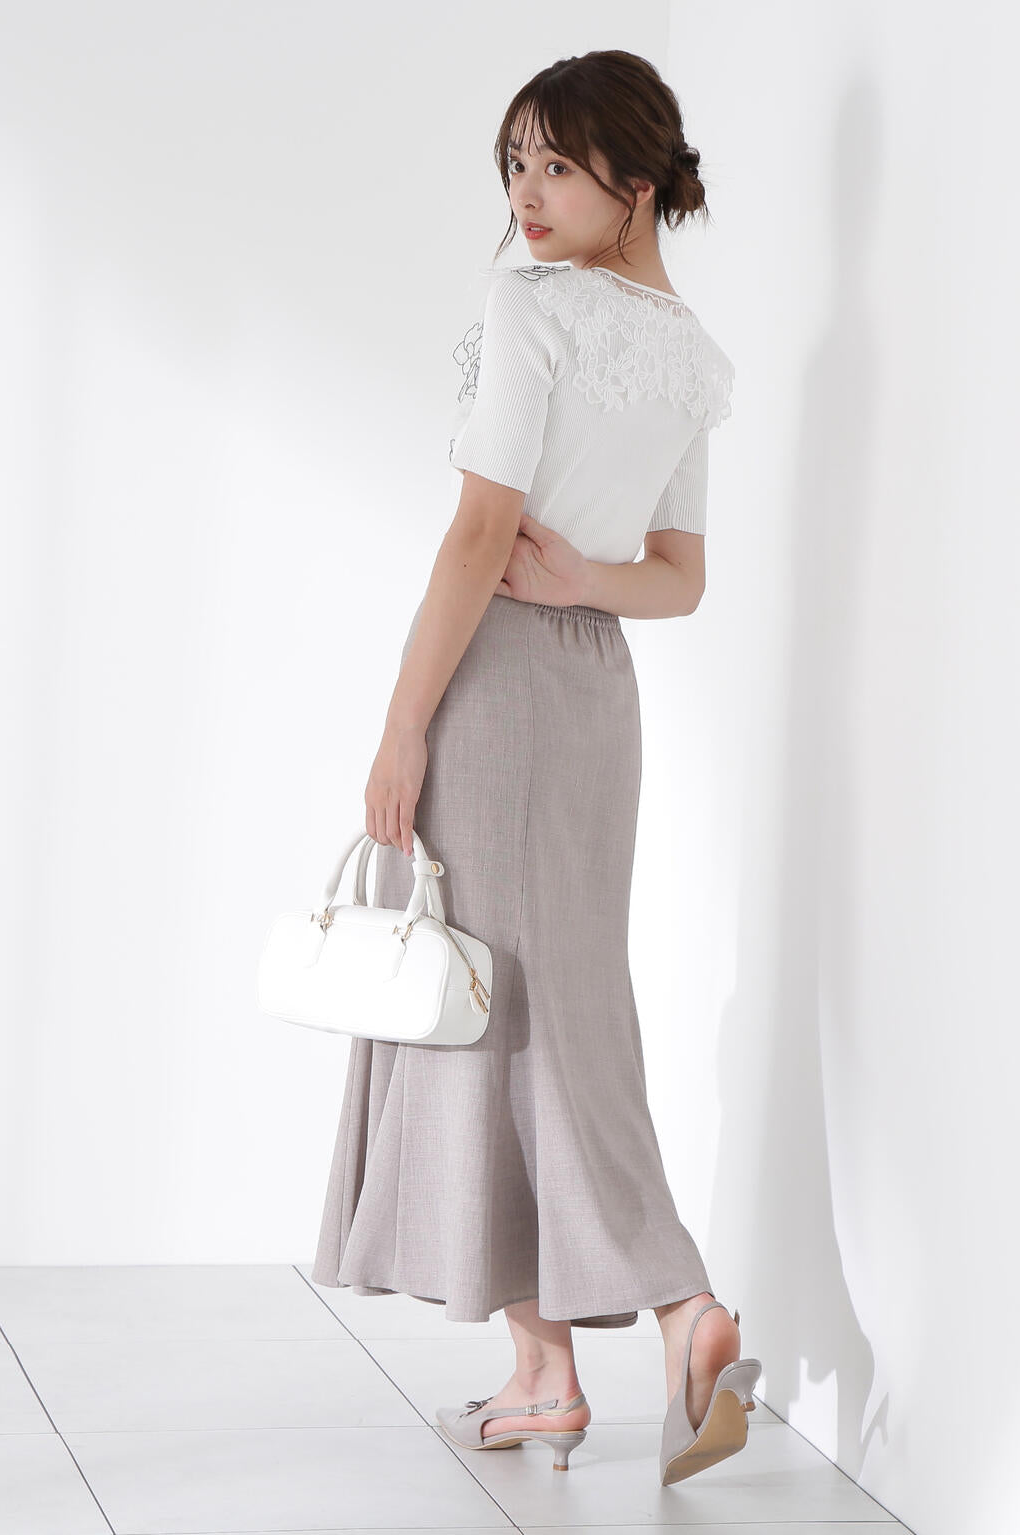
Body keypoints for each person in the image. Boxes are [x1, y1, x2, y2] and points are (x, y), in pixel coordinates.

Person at [310, 49, 762, 1484]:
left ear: (638, 177)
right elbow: (678, 579)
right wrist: (586, 580)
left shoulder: (533, 306)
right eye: (514, 164)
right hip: (597, 692)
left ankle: (679, 1304)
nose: (526, 193)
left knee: (499, 1011)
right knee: (539, 1004)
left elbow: (474, 534)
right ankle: (545, 1373)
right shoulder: (693, 356)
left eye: (556, 164)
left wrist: (402, 725)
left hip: (500, 681)